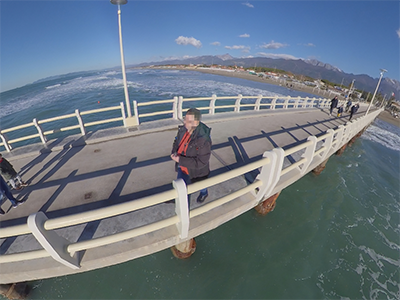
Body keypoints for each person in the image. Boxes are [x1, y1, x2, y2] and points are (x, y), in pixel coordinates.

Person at [171, 108, 212, 204]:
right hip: (181, 165)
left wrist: (179, 159)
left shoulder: (203, 138)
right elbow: (176, 141)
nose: (185, 122)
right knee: (180, 184)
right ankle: (178, 197)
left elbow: (201, 162)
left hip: (196, 170)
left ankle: (204, 193)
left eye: (189, 121)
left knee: (200, 185)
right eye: (185, 119)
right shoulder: (183, 129)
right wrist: (174, 152)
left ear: (196, 122)